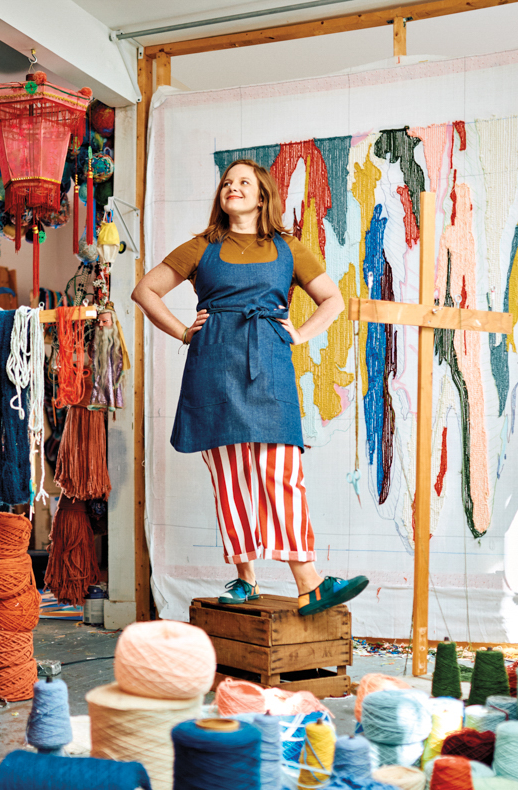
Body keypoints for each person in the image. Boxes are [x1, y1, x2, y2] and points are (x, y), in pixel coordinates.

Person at [132, 158, 369, 616]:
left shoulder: (289, 247)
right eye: (227, 182)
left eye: (244, 182)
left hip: (271, 364)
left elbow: (333, 300)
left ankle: (308, 580)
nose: (232, 187)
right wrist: (184, 331)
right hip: (213, 366)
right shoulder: (202, 246)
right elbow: (146, 291)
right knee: (232, 479)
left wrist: (298, 334)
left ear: (262, 196)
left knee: (281, 472)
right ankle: (246, 579)